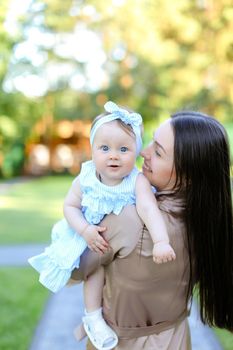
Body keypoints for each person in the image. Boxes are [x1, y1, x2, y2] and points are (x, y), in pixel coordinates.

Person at [72, 110, 233, 349]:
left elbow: (76, 269)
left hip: (122, 343)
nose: (143, 152)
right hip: (176, 339)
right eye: (151, 142)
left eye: (157, 151)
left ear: (188, 175)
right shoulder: (210, 224)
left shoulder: (126, 218)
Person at [28, 101, 176, 350]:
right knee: (95, 271)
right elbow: (70, 207)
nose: (113, 155)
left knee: (118, 275)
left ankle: (114, 314)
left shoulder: (136, 181)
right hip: (87, 234)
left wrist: (161, 241)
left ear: (136, 150)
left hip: (121, 246)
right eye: (104, 148)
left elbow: (149, 209)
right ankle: (92, 317)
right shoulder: (86, 177)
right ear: (93, 150)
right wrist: (85, 230)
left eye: (124, 149)